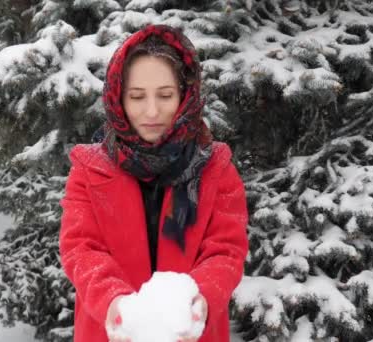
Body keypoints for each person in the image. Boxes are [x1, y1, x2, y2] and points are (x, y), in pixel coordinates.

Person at [60, 24, 249, 342]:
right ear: (119, 98)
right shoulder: (89, 168)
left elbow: (225, 250)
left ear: (184, 95)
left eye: (165, 95)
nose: (151, 111)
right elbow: (81, 249)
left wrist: (200, 300)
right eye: (137, 97)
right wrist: (113, 302)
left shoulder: (214, 166)